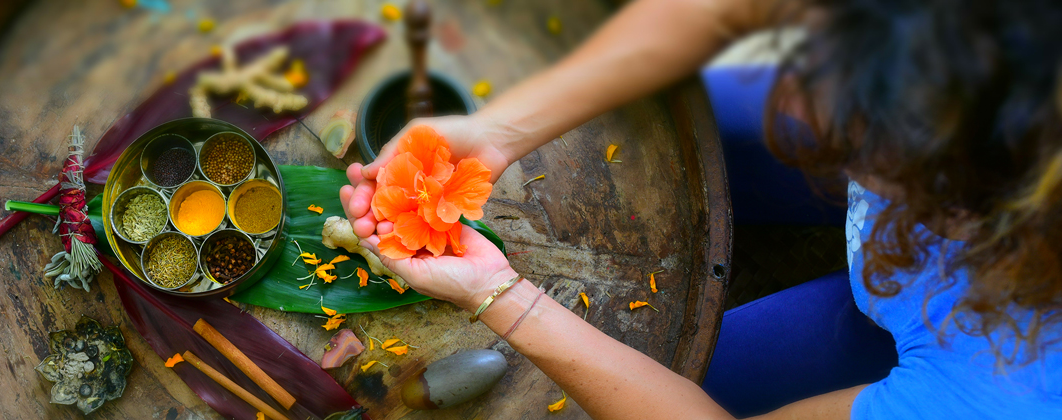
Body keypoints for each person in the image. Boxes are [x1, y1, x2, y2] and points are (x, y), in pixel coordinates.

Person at [339, 0, 1062, 418]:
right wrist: (500, 132)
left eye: (858, 128)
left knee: (692, 378)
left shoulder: (1004, 390)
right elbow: (720, 9)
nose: (795, 92)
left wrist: (499, 294)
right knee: (694, 106)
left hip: (954, 330)